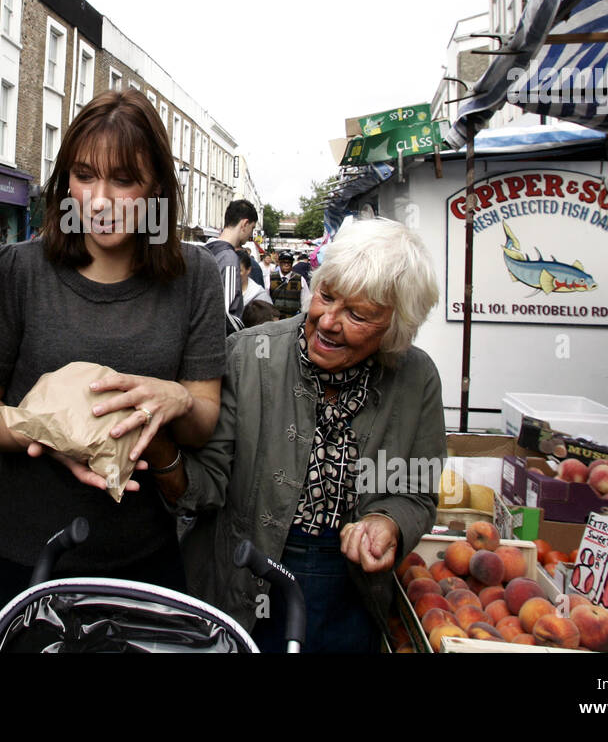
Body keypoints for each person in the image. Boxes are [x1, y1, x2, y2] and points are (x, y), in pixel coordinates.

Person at [0, 90, 227, 618]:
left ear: (157, 188)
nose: (99, 200)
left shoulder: (194, 277)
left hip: (145, 555)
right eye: (84, 175)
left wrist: (175, 398)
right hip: (30, 557)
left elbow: (203, 423)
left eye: (123, 180)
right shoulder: (18, 272)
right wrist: (48, 434)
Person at [157, 218, 444, 653]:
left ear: (395, 328)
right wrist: (164, 453)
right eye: (326, 296)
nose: (327, 321)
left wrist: (387, 522)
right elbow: (204, 488)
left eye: (357, 315)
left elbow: (413, 493)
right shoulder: (249, 356)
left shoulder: (416, 377)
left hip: (348, 594)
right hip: (242, 581)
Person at [206, 199, 257, 333]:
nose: (250, 234)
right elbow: (224, 315)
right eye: (252, 228)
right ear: (245, 224)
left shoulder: (206, 250)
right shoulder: (229, 258)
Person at [269, 249, 312, 318]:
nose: (286, 265)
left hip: (293, 318)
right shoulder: (270, 278)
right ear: (279, 263)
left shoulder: (300, 279)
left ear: (292, 264)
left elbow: (305, 300)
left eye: (289, 263)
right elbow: (266, 300)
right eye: (283, 262)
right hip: (274, 319)